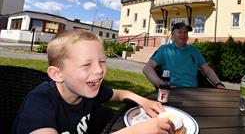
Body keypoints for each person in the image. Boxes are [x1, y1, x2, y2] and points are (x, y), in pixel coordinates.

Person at [12, 29, 175, 134]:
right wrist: (134, 132)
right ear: (57, 74)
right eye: (86, 64)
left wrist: (144, 102)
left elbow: (120, 94)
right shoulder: (40, 102)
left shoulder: (88, 91)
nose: (99, 70)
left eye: (102, 61)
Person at [143, 22, 225, 88]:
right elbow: (147, 68)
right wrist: (160, 83)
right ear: (172, 36)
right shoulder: (164, 50)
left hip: (193, 92)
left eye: (185, 32)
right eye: (180, 32)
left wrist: (218, 83)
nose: (183, 35)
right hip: (173, 91)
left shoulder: (194, 50)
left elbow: (207, 70)